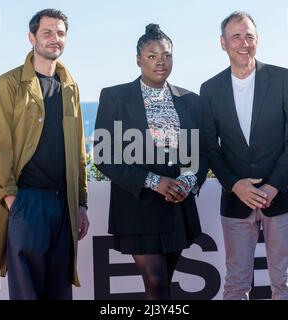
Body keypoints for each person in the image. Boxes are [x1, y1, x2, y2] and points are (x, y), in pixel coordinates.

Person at [0, 8, 89, 299]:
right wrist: (12, 199)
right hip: (27, 201)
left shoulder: (70, 87)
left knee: (59, 291)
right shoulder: (9, 84)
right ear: (32, 37)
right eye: (47, 33)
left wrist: (81, 202)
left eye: (61, 33)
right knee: (26, 292)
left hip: (63, 203)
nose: (55, 39)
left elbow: (78, 148)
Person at [200, 11, 288, 300]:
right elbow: (209, 147)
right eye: (235, 36)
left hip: (282, 197)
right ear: (222, 42)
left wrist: (272, 186)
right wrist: (236, 185)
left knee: (284, 283)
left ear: (258, 40)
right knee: (236, 283)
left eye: (249, 36)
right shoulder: (209, 90)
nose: (243, 42)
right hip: (237, 201)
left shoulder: (283, 79)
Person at [94, 24, 207, 300]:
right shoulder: (114, 97)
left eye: (167, 55)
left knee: (164, 285)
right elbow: (103, 156)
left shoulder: (190, 100)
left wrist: (188, 180)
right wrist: (155, 182)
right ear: (138, 59)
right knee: (156, 283)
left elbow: (203, 152)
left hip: (177, 206)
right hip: (137, 206)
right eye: (152, 55)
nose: (161, 62)